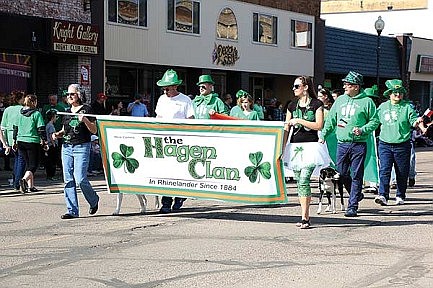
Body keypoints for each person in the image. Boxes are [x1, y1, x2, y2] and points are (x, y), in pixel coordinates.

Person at [319, 71, 380, 217]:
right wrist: (324, 134)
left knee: (357, 174)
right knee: (341, 173)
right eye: (345, 84)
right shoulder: (340, 100)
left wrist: (363, 129)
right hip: (342, 143)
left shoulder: (367, 102)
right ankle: (356, 193)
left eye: (348, 84)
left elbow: (375, 121)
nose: (345, 86)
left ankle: (352, 206)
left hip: (359, 144)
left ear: (356, 87)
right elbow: (331, 119)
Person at [282, 76, 329, 229]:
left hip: (311, 147)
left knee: (304, 180)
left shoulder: (317, 104)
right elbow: (286, 128)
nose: (294, 89)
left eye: (297, 86)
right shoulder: (291, 105)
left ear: (306, 87)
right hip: (295, 147)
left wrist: (300, 121)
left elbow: (319, 125)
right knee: (299, 182)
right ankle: (305, 215)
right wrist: (281, 148)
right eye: (293, 86)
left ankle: (305, 217)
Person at [52, 84, 99, 219]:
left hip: (81, 146)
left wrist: (84, 120)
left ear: (79, 95)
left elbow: (94, 130)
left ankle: (93, 200)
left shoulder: (87, 110)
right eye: (67, 94)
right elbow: (65, 130)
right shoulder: (66, 111)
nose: (69, 96)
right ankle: (72, 210)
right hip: (66, 147)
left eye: (72, 94)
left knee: (80, 178)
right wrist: (57, 134)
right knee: (68, 179)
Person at [374, 79, 422, 206]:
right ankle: (383, 195)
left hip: (402, 144)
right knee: (384, 170)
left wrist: (417, 122)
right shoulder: (382, 107)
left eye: (400, 92)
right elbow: (374, 122)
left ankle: (400, 195)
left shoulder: (407, 107)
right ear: (389, 94)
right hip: (384, 144)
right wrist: (363, 129)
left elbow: (413, 120)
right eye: (395, 92)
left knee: (401, 172)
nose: (397, 95)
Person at [155, 69, 194, 213]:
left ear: (175, 87)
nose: (165, 91)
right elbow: (158, 118)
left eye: (167, 88)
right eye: (163, 88)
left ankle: (179, 197)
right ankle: (166, 202)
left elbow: (191, 120)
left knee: (179, 171)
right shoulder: (161, 99)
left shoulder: (185, 100)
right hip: (165, 140)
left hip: (181, 141)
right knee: (166, 171)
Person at [14, 94, 47, 193]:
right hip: (32, 141)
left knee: (28, 164)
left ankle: (31, 186)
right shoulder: (36, 114)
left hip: (20, 141)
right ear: (34, 102)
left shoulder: (19, 113)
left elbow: (15, 128)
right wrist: (44, 140)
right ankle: (24, 180)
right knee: (33, 165)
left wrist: (14, 140)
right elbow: (40, 129)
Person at [1, 91, 26, 191]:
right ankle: (17, 183)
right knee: (21, 160)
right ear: (20, 99)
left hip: (10, 137)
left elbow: (3, 126)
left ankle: (15, 179)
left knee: (17, 158)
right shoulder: (22, 109)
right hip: (20, 136)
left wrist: (5, 142)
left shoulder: (7, 110)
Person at [44, 110, 59, 181]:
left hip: (50, 145)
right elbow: (51, 135)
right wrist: (54, 144)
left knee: (50, 161)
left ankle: (50, 175)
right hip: (51, 145)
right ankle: (51, 175)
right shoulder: (50, 126)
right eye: (55, 117)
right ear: (52, 117)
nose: (56, 118)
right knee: (52, 161)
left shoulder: (49, 125)